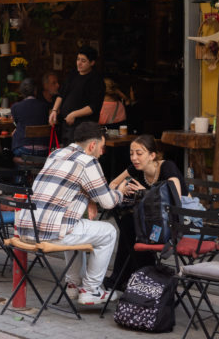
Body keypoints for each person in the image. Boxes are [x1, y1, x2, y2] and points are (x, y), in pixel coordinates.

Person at [15, 121, 134, 307]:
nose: (102, 152)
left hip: (26, 228)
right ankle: (91, 290)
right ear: (92, 145)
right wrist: (121, 191)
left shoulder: (56, 153)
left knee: (74, 224)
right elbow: (108, 202)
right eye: (102, 147)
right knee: (108, 231)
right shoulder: (88, 161)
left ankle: (73, 284)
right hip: (49, 233)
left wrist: (89, 199)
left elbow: (70, 185)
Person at [105, 134, 187, 288]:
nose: (134, 158)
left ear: (152, 155)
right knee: (128, 223)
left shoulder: (167, 167)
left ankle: (139, 276)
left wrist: (146, 193)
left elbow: (174, 200)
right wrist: (122, 188)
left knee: (130, 225)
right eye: (131, 153)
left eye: (139, 153)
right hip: (155, 222)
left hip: (178, 222)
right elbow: (112, 184)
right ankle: (139, 276)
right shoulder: (136, 169)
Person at [48, 45, 105, 145]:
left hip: (84, 128)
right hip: (67, 125)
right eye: (78, 59)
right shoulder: (73, 74)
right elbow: (61, 94)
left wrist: (74, 114)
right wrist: (54, 110)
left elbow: (93, 107)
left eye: (83, 61)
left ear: (92, 63)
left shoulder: (96, 80)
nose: (79, 63)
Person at [10, 77, 50, 157]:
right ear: (35, 91)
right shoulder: (45, 106)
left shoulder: (15, 107)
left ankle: (20, 169)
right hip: (44, 149)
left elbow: (16, 123)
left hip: (23, 149)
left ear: (21, 92)